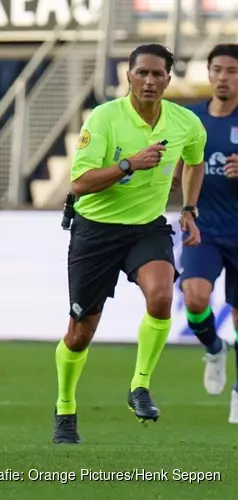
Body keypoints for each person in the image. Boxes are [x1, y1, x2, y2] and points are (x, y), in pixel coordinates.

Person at [53, 43, 207, 444]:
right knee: (80, 333)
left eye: (158, 74)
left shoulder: (185, 123)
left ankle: (139, 385)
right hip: (96, 231)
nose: (150, 81)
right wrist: (129, 164)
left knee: (160, 296)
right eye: (142, 73)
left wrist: (189, 207)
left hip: (146, 228)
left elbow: (195, 159)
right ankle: (65, 407)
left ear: (169, 79)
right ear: (129, 75)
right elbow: (79, 184)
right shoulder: (104, 118)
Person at [175, 44, 238, 421]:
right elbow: (180, 168)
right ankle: (214, 348)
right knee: (195, 298)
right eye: (217, 69)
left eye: (232, 70)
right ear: (209, 72)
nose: (223, 76)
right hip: (205, 229)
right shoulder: (191, 120)